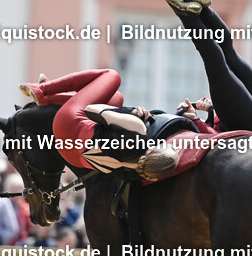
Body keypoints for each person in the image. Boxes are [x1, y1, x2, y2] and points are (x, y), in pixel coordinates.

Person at [19, 68, 181, 180]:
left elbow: (92, 110)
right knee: (116, 98)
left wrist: (131, 113)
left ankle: (43, 89)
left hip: (68, 126)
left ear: (154, 149)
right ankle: (48, 99)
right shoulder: (137, 171)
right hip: (71, 155)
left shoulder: (138, 129)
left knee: (112, 76)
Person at [161, 0, 252, 133]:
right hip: (244, 122)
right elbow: (214, 139)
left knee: (228, 53)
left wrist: (203, 112)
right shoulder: (233, 128)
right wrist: (195, 119)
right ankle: (191, 15)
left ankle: (203, 9)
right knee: (217, 63)